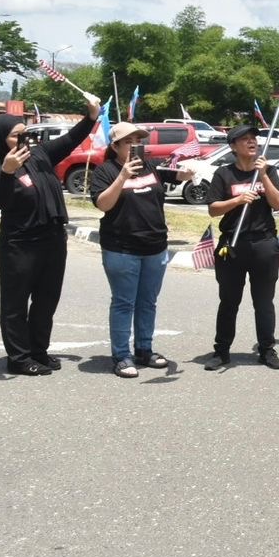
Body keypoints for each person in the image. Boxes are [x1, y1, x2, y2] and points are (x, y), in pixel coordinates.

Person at [0, 93, 101, 376]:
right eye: (16, 136)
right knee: (15, 303)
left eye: (26, 133)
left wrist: (91, 116)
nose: (24, 140)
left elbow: (72, 139)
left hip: (53, 239)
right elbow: (0, 200)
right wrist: (9, 173)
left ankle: (38, 350)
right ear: (1, 141)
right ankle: (19, 358)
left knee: (47, 300)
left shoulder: (40, 155)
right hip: (20, 244)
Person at [90, 122, 192, 378]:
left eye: (140, 141)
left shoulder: (150, 166)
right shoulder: (106, 171)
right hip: (121, 249)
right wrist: (123, 176)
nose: (137, 146)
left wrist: (186, 173)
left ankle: (144, 350)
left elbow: (174, 175)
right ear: (115, 147)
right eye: (130, 142)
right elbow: (103, 204)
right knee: (124, 303)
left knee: (148, 302)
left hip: (155, 247)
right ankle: (122, 356)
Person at [204, 125, 279, 371]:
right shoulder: (223, 174)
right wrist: (238, 200)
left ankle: (267, 350)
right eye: (245, 140)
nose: (252, 143)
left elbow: (278, 203)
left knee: (263, 302)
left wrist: (263, 177)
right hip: (233, 244)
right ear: (233, 147)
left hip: (263, 244)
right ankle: (221, 351)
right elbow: (213, 208)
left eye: (254, 139)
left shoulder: (268, 170)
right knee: (229, 301)